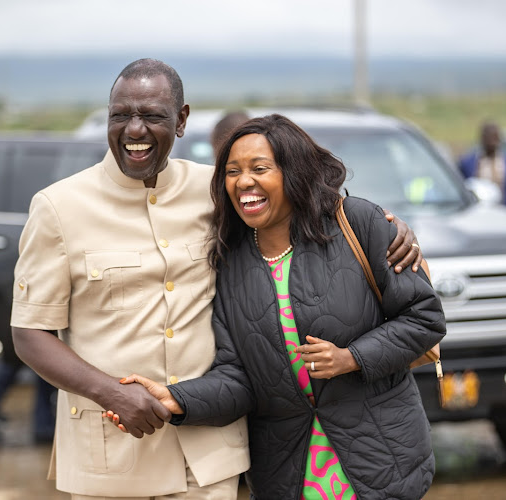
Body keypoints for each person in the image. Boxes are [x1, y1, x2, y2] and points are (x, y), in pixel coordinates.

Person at [10, 58, 423, 499]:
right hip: (113, 456)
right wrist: (111, 393)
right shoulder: (58, 207)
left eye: (152, 116)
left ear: (182, 120)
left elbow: (305, 212)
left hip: (209, 457)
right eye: (121, 115)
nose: (134, 130)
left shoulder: (217, 191)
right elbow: (29, 333)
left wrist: (389, 227)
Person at [120, 114, 446, 499]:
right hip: (287, 472)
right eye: (232, 171)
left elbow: (424, 319)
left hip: (380, 460)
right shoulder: (229, 261)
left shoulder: (358, 223)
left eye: (260, 168)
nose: (244, 182)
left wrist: (352, 357)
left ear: (293, 172)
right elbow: (240, 376)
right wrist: (178, 399)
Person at [459, 120, 506, 215]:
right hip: (479, 215)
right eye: (488, 137)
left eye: (494, 137)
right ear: (482, 139)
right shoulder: (468, 164)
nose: (491, 142)